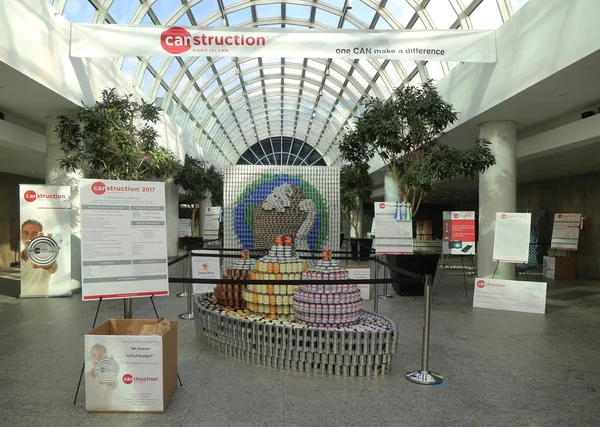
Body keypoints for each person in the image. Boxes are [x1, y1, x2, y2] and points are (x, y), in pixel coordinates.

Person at [20, 219, 58, 296]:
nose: (29, 236)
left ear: (39, 235)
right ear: (21, 235)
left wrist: (47, 265)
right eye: (25, 233)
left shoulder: (46, 256)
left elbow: (52, 267)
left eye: (34, 233)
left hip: (39, 304)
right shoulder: (17, 259)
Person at [85, 344, 118, 409]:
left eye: (100, 355)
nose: (96, 358)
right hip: (89, 411)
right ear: (90, 357)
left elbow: (112, 382)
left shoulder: (110, 375)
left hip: (105, 413)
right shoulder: (86, 376)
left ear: (105, 357)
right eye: (94, 355)